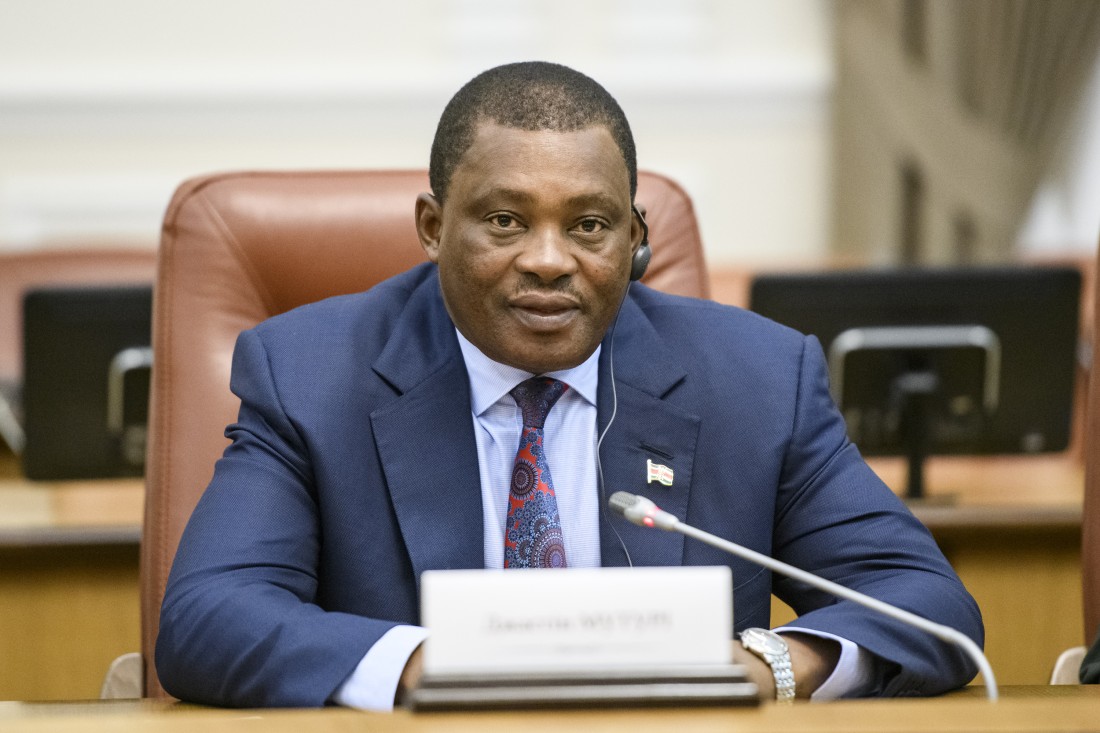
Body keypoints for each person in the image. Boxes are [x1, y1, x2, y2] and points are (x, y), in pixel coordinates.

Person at [155, 61, 983, 709]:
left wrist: (768, 663)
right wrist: (431, 665)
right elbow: (207, 616)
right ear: (434, 228)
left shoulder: (758, 379)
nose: (549, 260)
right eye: (505, 221)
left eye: (588, 225)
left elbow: (928, 604)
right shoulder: (309, 374)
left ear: (635, 239)